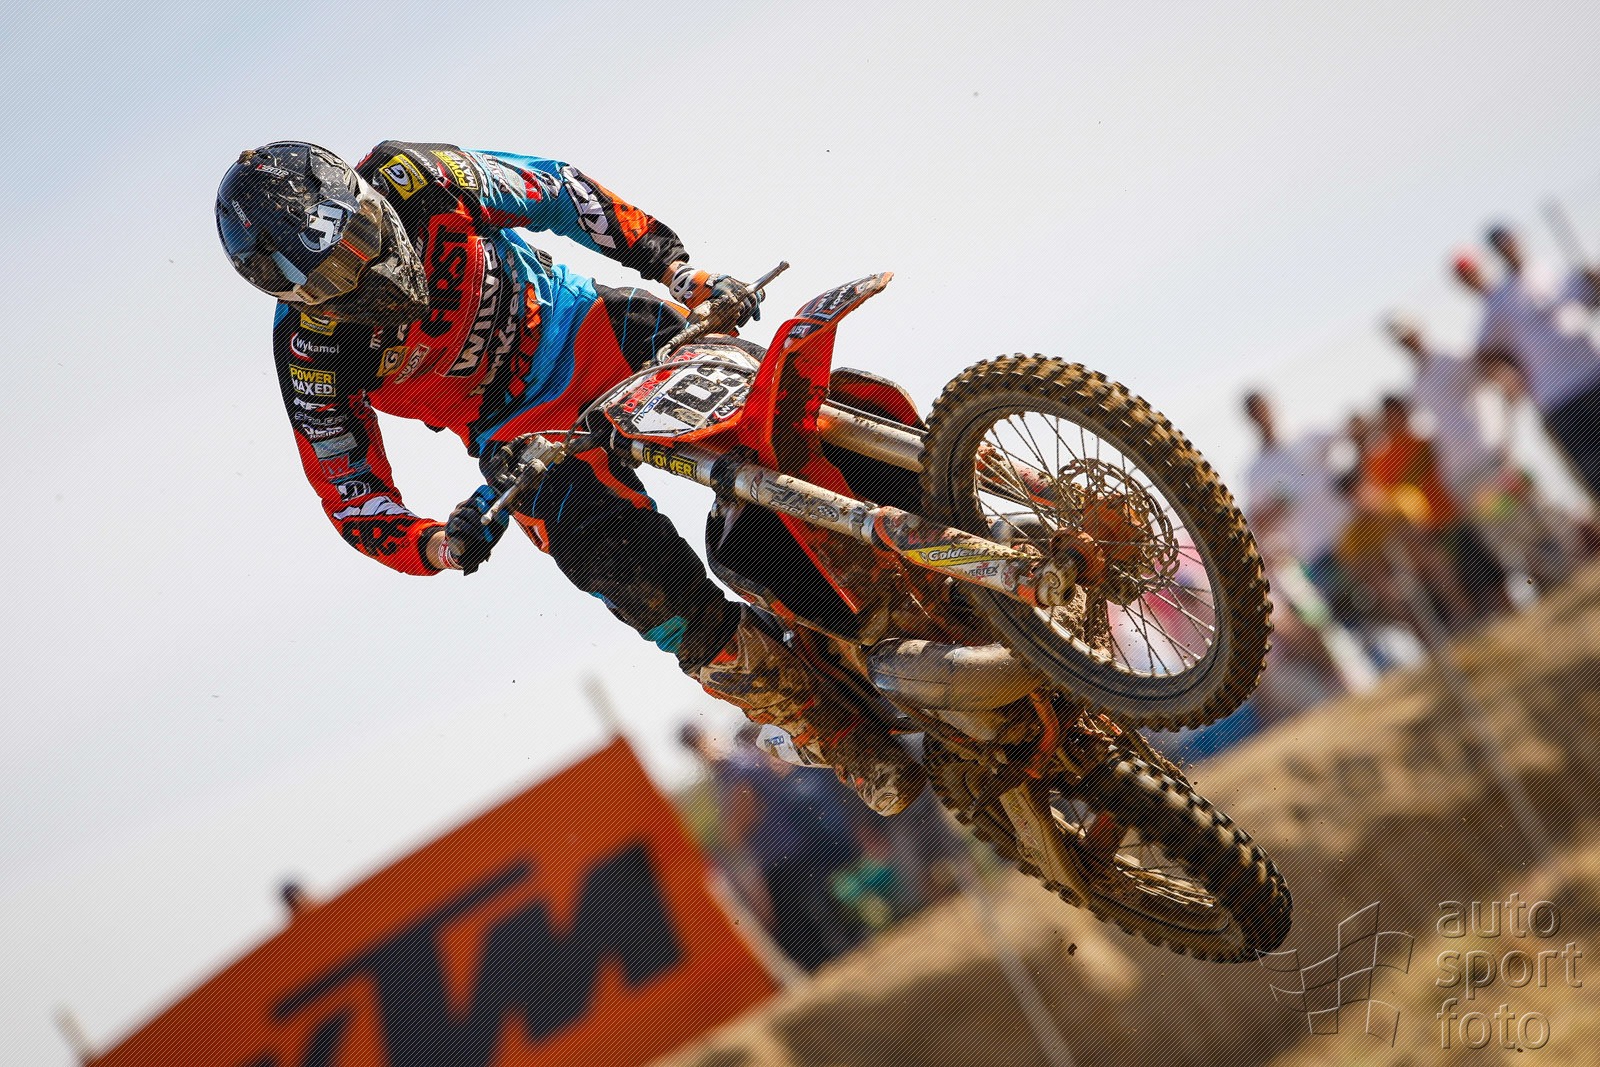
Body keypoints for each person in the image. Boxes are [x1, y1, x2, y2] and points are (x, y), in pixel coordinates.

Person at [215, 141, 920, 815]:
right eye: (333, 277)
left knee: (779, 412)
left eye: (362, 234)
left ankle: (935, 483)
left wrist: (678, 270)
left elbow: (558, 190)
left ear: (365, 197)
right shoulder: (310, 355)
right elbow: (350, 493)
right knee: (642, 586)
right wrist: (440, 544)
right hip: (519, 438)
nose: (366, 267)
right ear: (295, 295)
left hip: (595, 328)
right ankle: (827, 724)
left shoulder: (416, 175)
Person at [1387, 312, 1577, 593]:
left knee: (1533, 514)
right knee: (1504, 530)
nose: (1406, 342)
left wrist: (1506, 435)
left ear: (1418, 330)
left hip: (1490, 456)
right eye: (1400, 339)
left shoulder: (1455, 357)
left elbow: (1506, 380)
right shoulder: (1417, 384)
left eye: (1407, 334)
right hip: (1463, 471)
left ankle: (1574, 565)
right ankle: (1548, 582)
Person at [1472, 227, 1600, 501]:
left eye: (1508, 240)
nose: (1507, 247)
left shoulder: (1553, 271)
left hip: (1593, 375)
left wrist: (1594, 281)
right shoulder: (1499, 302)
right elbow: (1483, 353)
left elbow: (1591, 297)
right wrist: (1508, 376)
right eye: (1500, 245)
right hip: (1557, 399)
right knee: (1594, 472)